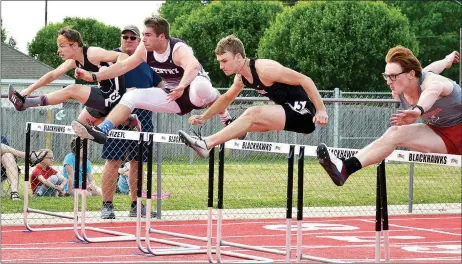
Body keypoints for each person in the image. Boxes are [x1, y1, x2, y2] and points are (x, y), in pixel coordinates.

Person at [71, 15, 239, 144]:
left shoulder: (178, 49)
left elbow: (193, 66)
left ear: (162, 36)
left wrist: (182, 86)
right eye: (143, 35)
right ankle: (102, 130)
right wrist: (94, 76)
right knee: (131, 96)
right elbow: (122, 67)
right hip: (174, 96)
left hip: (194, 89)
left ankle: (227, 119)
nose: (143, 39)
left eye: (148, 35)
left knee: (202, 87)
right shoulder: (144, 50)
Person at [316, 47, 461, 186]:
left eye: (393, 76)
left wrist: (418, 110)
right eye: (386, 76)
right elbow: (436, 66)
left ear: (411, 74)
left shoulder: (431, 82)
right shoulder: (406, 85)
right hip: (442, 133)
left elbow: (433, 90)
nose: (388, 81)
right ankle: (345, 168)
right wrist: (448, 60)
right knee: (394, 133)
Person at [178, 35, 328, 158]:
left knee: (252, 113)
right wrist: (204, 117)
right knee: (242, 123)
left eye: (224, 61)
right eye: (219, 62)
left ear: (238, 56)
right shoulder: (241, 78)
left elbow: (305, 80)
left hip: (304, 113)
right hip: (288, 112)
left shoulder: (265, 68)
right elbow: (225, 99)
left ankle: (206, 144)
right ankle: (230, 136)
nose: (221, 66)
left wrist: (321, 110)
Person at [8, 27, 138, 128]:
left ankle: (25, 104)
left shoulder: (92, 53)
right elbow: (53, 75)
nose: (58, 51)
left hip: (114, 95)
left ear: (74, 45)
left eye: (62, 46)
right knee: (79, 128)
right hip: (104, 96)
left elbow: (123, 57)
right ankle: (127, 121)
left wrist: (99, 74)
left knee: (72, 90)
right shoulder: (75, 61)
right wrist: (28, 90)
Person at [98, 25, 163, 219]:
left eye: (132, 37)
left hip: (143, 117)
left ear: (139, 41)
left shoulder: (148, 61)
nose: (128, 40)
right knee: (113, 160)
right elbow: (101, 81)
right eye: (124, 36)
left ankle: (136, 205)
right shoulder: (112, 58)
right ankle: (107, 205)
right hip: (117, 116)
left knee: (138, 162)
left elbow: (162, 84)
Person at [1, 136, 47, 200]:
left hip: (3, 171)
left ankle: (14, 193)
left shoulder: (2, 138)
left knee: (8, 155)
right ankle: (28, 155)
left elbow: (13, 157)